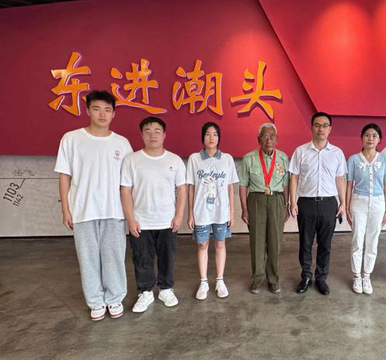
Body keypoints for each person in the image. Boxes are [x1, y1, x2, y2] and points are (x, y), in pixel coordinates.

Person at [54, 90, 133, 321]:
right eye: (97, 109)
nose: (102, 114)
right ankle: (95, 301)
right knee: (88, 258)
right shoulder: (71, 139)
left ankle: (115, 297)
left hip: (114, 210)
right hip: (83, 209)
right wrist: (65, 209)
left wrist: (130, 212)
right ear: (88, 110)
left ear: (114, 114)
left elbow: (128, 182)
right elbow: (64, 176)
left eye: (107, 110)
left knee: (113, 256)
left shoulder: (122, 143)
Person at [120, 117, 187, 312]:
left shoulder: (174, 160)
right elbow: (125, 191)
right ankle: (145, 292)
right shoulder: (132, 160)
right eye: (147, 131)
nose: (152, 135)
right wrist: (131, 219)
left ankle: (166, 288)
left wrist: (179, 215)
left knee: (167, 257)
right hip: (141, 220)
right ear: (141, 135)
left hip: (167, 220)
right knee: (142, 258)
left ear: (164, 135)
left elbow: (182, 189)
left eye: (157, 131)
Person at [289, 112, 347, 295]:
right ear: (311, 127)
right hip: (306, 202)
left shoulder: (337, 153)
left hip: (329, 203)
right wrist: (292, 201)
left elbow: (340, 179)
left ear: (330, 129)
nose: (321, 129)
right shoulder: (300, 151)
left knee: (325, 244)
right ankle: (306, 276)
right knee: (305, 243)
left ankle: (321, 278)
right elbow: (294, 177)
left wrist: (343, 203)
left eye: (324, 125)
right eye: (317, 125)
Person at [187, 122, 238, 300]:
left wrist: (232, 212)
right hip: (201, 211)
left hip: (221, 212)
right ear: (203, 137)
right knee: (202, 245)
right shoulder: (194, 159)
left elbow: (230, 187)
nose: (211, 138)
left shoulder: (227, 159)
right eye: (208, 134)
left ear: (219, 138)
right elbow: (191, 187)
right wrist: (190, 213)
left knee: (220, 244)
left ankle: (219, 281)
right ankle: (203, 282)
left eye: (215, 134)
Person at [239, 123, 289, 294]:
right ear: (258, 139)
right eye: (265, 137)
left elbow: (286, 184)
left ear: (277, 139)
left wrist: (287, 205)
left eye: (272, 137)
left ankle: (273, 279)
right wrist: (244, 209)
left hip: (277, 200)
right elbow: (243, 186)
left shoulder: (283, 158)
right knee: (257, 241)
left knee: (275, 242)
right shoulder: (249, 158)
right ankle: (257, 279)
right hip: (256, 200)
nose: (269, 140)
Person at [346, 123, 386, 295]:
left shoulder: (385, 160)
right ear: (362, 138)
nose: (370, 138)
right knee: (357, 240)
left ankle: (367, 276)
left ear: (379, 139)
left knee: (372, 241)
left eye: (374, 135)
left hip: (378, 203)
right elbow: (349, 185)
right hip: (358, 201)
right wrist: (347, 206)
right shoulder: (353, 160)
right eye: (367, 135)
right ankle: (356, 276)